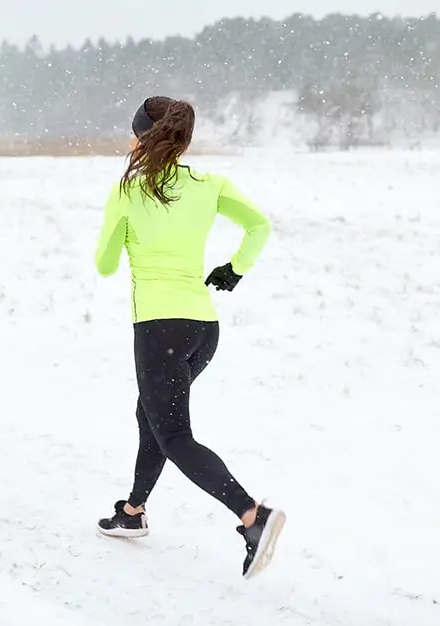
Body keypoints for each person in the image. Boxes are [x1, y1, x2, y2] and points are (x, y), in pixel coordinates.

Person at [93, 95, 286, 580]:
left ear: (142, 137)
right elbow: (259, 226)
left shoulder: (128, 191)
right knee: (153, 415)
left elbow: (105, 263)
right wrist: (234, 269)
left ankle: (252, 518)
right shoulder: (210, 184)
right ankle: (133, 512)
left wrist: (127, 234)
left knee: (174, 434)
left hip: (159, 330)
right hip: (203, 329)